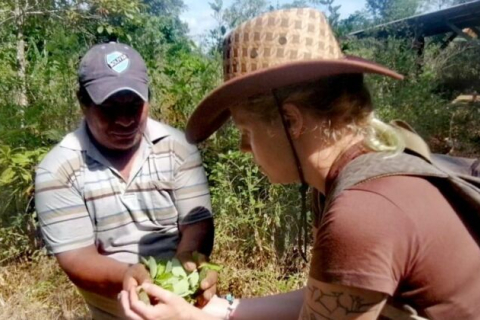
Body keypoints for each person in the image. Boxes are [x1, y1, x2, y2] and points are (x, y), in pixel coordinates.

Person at [119, 8, 480, 320]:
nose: (245, 148)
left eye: (246, 131)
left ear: (290, 121)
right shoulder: (371, 170)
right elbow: (332, 296)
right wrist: (219, 310)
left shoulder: (361, 213)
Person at [34, 42, 217, 319]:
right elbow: (76, 258)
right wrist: (129, 276)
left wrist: (188, 262)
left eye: (134, 106)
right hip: (114, 308)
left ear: (148, 100)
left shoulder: (178, 148)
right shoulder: (58, 169)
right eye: (108, 108)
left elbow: (197, 223)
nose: (124, 120)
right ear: (83, 103)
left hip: (184, 304)